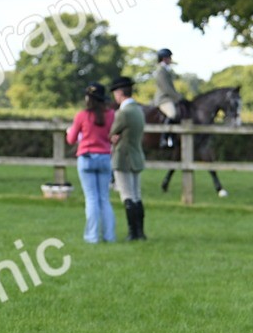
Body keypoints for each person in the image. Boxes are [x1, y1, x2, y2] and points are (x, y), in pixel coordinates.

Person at [66, 83, 115, 243]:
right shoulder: (111, 115)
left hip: (86, 157)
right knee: (104, 198)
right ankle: (109, 235)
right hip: (104, 157)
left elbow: (71, 139)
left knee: (92, 199)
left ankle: (92, 236)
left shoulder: (82, 115)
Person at [110, 76, 147, 240]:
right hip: (136, 155)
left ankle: (133, 233)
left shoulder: (123, 113)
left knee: (127, 196)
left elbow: (111, 133)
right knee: (137, 196)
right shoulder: (138, 110)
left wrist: (113, 137)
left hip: (123, 158)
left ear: (119, 93)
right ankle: (140, 232)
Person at [153, 48, 185, 148]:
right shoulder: (160, 71)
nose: (171, 59)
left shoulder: (166, 70)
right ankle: (164, 138)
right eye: (169, 57)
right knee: (172, 113)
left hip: (169, 98)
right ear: (164, 58)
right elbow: (166, 88)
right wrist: (178, 97)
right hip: (163, 99)